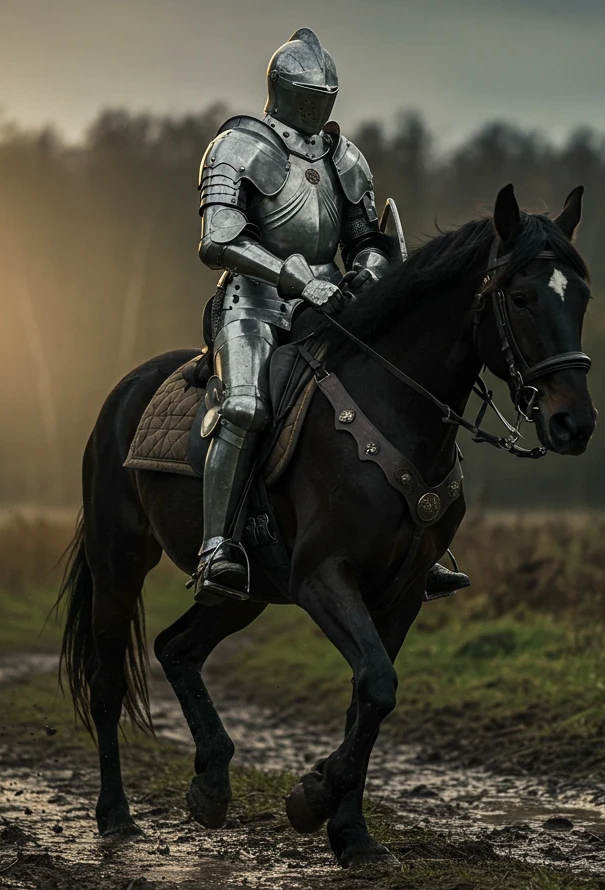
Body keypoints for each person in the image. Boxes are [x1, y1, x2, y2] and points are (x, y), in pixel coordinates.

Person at [194, 28, 469, 600]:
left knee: (401, 389)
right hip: (254, 305)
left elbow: (366, 237)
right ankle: (217, 547)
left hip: (335, 307)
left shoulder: (345, 158)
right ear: (283, 91)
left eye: (328, 97)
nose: (320, 107)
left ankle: (421, 542)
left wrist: (365, 272)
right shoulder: (240, 146)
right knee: (245, 408)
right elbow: (218, 239)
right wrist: (296, 277)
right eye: (311, 96)